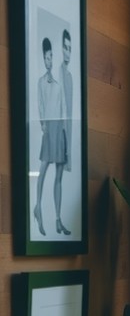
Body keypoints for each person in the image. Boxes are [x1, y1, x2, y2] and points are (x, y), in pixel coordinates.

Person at [34, 32, 71, 237]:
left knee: (58, 175)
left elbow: (64, 107)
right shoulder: (41, 82)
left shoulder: (58, 84)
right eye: (46, 58)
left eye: (51, 57)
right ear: (43, 58)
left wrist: (63, 129)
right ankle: (38, 207)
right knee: (42, 169)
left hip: (59, 130)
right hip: (49, 128)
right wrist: (43, 125)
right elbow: (40, 105)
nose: (49, 60)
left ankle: (57, 219)